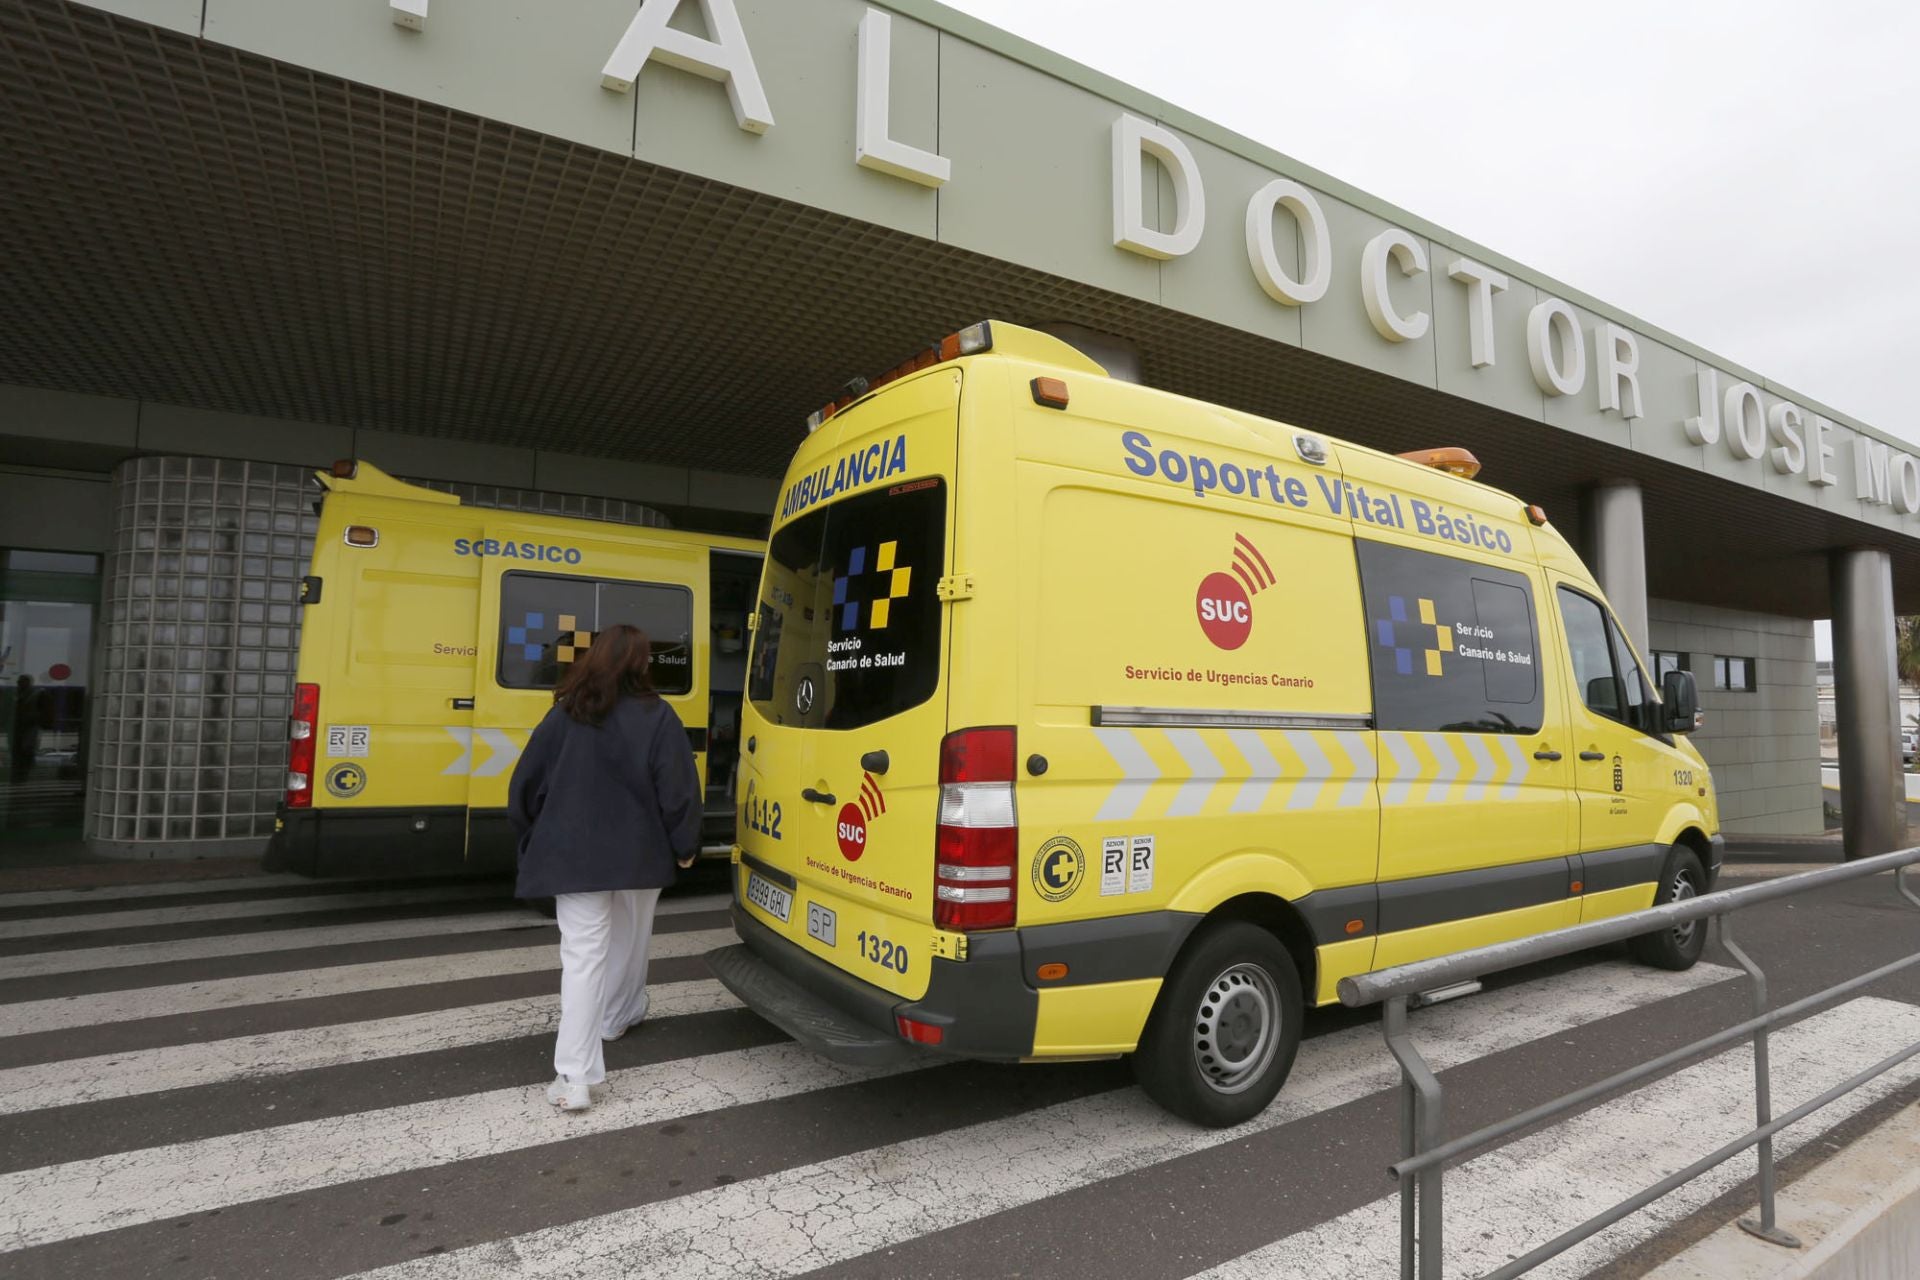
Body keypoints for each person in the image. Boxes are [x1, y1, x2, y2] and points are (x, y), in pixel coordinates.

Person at [508, 625, 701, 1113]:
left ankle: (575, 1076)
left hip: (573, 856)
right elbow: (678, 788)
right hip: (640, 854)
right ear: (642, 665)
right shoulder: (659, 715)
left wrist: (532, 834)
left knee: (583, 957)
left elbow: (525, 784)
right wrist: (685, 844)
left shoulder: (566, 714)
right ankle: (617, 1016)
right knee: (632, 939)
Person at [8, 675, 39, 785]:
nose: (18, 683)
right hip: (20, 729)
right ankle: (20, 776)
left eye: (20, 681)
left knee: (25, 752)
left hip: (27, 730)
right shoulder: (18, 694)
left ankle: (22, 777)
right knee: (19, 753)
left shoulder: (32, 695)